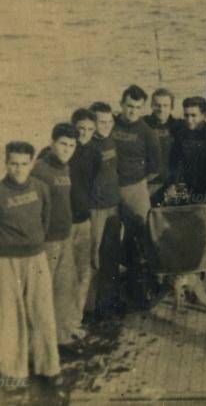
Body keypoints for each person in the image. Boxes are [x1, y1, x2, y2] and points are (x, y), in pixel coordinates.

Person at [0, 141, 60, 386]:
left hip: (36, 257)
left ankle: (48, 367)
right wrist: (1, 254)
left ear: (32, 164)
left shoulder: (41, 188)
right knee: (11, 316)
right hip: (6, 261)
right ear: (6, 163)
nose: (19, 169)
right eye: (14, 164)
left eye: (24, 164)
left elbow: (45, 219)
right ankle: (14, 372)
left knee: (42, 311)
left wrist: (35, 243)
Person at [30, 123, 84, 354]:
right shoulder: (40, 170)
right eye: (63, 144)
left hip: (65, 237)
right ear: (52, 143)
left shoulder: (65, 168)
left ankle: (61, 336)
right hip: (47, 241)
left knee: (63, 290)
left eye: (71, 146)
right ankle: (38, 346)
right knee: (43, 293)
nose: (67, 150)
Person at [111, 85, 161, 304]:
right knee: (109, 238)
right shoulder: (110, 124)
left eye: (138, 108)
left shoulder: (147, 132)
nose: (132, 111)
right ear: (121, 104)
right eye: (129, 106)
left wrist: (137, 182)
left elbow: (155, 167)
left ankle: (141, 289)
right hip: (109, 189)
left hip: (135, 188)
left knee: (141, 238)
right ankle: (111, 290)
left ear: (143, 109)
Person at [87, 102, 123, 318]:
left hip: (113, 206)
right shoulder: (88, 145)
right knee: (94, 256)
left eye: (110, 121)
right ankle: (91, 307)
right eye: (102, 122)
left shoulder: (110, 139)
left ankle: (109, 301)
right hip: (96, 208)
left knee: (111, 254)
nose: (107, 125)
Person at [68, 109, 100, 328]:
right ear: (73, 127)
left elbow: (91, 184)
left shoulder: (95, 154)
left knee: (83, 272)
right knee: (63, 275)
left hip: (83, 220)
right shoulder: (63, 149)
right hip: (62, 224)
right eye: (81, 128)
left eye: (90, 129)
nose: (85, 133)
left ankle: (76, 319)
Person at [168, 96, 206, 201]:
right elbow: (175, 163)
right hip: (185, 187)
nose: (189, 120)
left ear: (204, 115)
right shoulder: (180, 135)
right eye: (186, 115)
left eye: (193, 115)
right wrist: (173, 184)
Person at [143, 88, 184, 202]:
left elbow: (182, 159)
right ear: (151, 105)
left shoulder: (179, 126)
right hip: (149, 184)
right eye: (157, 105)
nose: (161, 109)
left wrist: (175, 184)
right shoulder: (143, 124)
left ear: (171, 107)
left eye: (165, 105)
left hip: (173, 183)